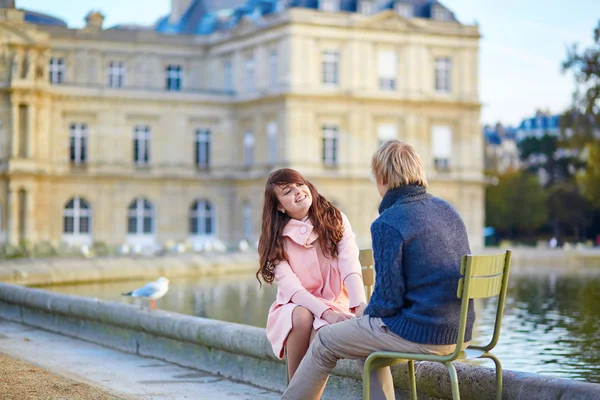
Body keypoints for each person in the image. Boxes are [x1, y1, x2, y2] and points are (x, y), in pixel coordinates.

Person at [281, 140, 474, 400]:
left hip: (424, 334)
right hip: (461, 333)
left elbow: (387, 301)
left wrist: (365, 314)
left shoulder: (388, 223)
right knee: (365, 343)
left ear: (382, 177)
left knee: (325, 340)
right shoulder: (448, 210)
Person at [257, 168, 367, 382]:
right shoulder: (273, 240)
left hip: (336, 302)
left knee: (321, 334)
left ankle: (297, 393)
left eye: (300, 184)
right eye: (288, 191)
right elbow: (293, 289)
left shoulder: (335, 219)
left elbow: (349, 264)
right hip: (294, 306)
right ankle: (296, 389)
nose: (298, 192)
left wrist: (360, 305)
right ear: (279, 206)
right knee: (301, 315)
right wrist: (326, 313)